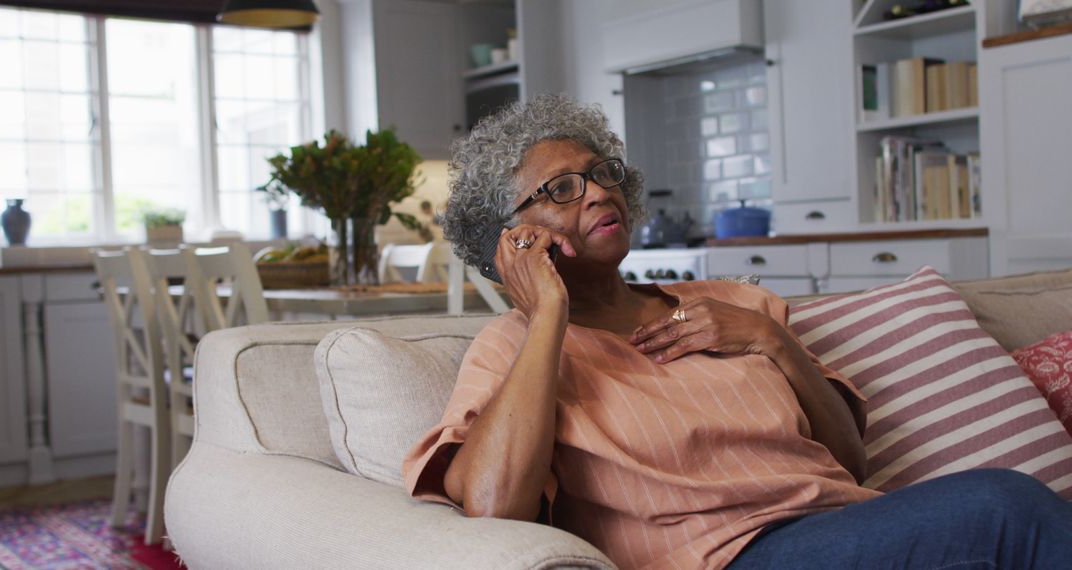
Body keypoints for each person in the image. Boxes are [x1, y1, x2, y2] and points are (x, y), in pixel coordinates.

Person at [402, 94, 1072, 569]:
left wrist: (770, 340)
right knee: (1002, 505)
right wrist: (547, 314)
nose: (599, 193)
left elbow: (851, 464)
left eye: (602, 175)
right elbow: (492, 508)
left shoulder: (735, 300)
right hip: (725, 557)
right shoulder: (516, 348)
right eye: (561, 189)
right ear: (511, 236)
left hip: (844, 526)